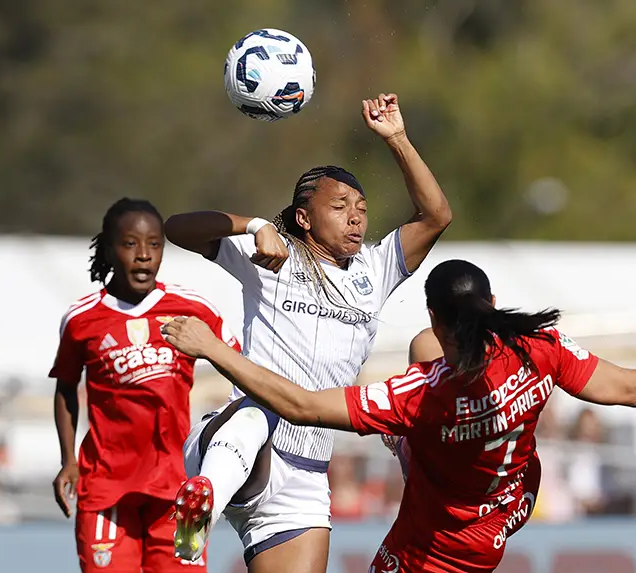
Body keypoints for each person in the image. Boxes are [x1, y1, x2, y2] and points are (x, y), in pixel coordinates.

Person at [159, 258, 636, 573]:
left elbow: (300, 404)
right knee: (421, 367)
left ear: (437, 314)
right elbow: (635, 389)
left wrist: (213, 349)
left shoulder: (418, 397)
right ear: (491, 305)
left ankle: (213, 490)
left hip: (438, 549)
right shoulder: (538, 345)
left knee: (276, 414)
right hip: (505, 506)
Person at [163, 92, 451, 571]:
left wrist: (397, 138)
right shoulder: (271, 256)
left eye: (361, 207)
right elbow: (176, 228)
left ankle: (202, 512)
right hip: (242, 447)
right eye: (339, 206)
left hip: (307, 473)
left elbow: (436, 215)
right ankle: (202, 506)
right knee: (257, 415)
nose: (356, 216)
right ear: (304, 218)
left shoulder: (375, 270)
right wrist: (254, 224)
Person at [50, 198, 241, 573]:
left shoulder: (193, 308)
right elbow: (66, 387)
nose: (143, 255)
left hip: (182, 491)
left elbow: (241, 369)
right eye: (130, 244)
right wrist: (68, 460)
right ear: (109, 248)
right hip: (105, 488)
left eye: (154, 244)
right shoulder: (82, 319)